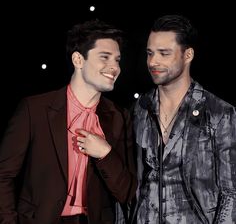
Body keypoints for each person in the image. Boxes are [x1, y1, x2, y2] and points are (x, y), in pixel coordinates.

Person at [0, 19, 137, 224]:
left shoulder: (120, 116)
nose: (114, 67)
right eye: (105, 57)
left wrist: (105, 154)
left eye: (117, 60)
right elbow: (3, 176)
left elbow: (129, 192)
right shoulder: (34, 109)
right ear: (78, 60)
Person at [131, 14, 236, 223]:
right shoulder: (139, 109)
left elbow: (230, 195)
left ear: (188, 55)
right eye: (150, 53)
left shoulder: (219, 113)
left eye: (164, 53)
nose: (153, 61)